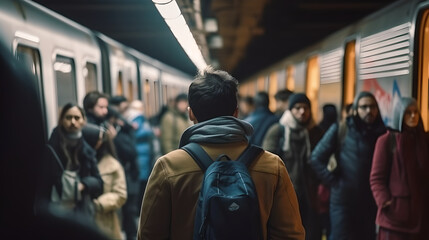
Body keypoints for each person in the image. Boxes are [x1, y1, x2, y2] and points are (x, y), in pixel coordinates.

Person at [138, 66, 305, 239]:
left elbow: (149, 234)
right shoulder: (272, 166)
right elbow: (291, 234)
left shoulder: (168, 167)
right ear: (236, 113)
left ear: (190, 113)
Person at [310, 91, 386, 240]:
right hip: (343, 202)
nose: (369, 111)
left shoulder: (382, 133)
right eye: (364, 107)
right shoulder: (342, 129)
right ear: (356, 109)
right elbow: (316, 158)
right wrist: (334, 182)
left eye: (372, 107)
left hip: (370, 204)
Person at [262, 93, 324, 240]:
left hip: (311, 196)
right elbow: (266, 163)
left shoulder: (316, 132)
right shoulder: (278, 131)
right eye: (297, 108)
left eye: (305, 108)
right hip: (284, 195)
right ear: (290, 110)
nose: (302, 111)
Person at [370, 97, 429, 240]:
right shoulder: (387, 141)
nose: (413, 116)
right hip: (394, 219)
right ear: (400, 114)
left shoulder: (424, 140)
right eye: (408, 113)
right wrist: (385, 201)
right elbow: (376, 178)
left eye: (415, 112)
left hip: (422, 216)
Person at [37, 103, 104, 219]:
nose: (73, 122)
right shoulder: (51, 148)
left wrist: (84, 185)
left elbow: (99, 182)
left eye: (77, 118)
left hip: (80, 208)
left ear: (83, 121)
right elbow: (43, 184)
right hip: (55, 209)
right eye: (68, 117)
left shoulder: (87, 149)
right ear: (61, 120)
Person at [82, 123, 127, 240]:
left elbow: (121, 194)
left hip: (105, 221)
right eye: (98, 140)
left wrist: (99, 204)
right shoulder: (78, 161)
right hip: (81, 218)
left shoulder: (112, 165)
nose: (100, 143)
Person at [124, 100, 156, 215]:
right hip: (141, 158)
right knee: (141, 185)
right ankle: (140, 210)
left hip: (141, 158)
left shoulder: (128, 120)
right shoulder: (138, 120)